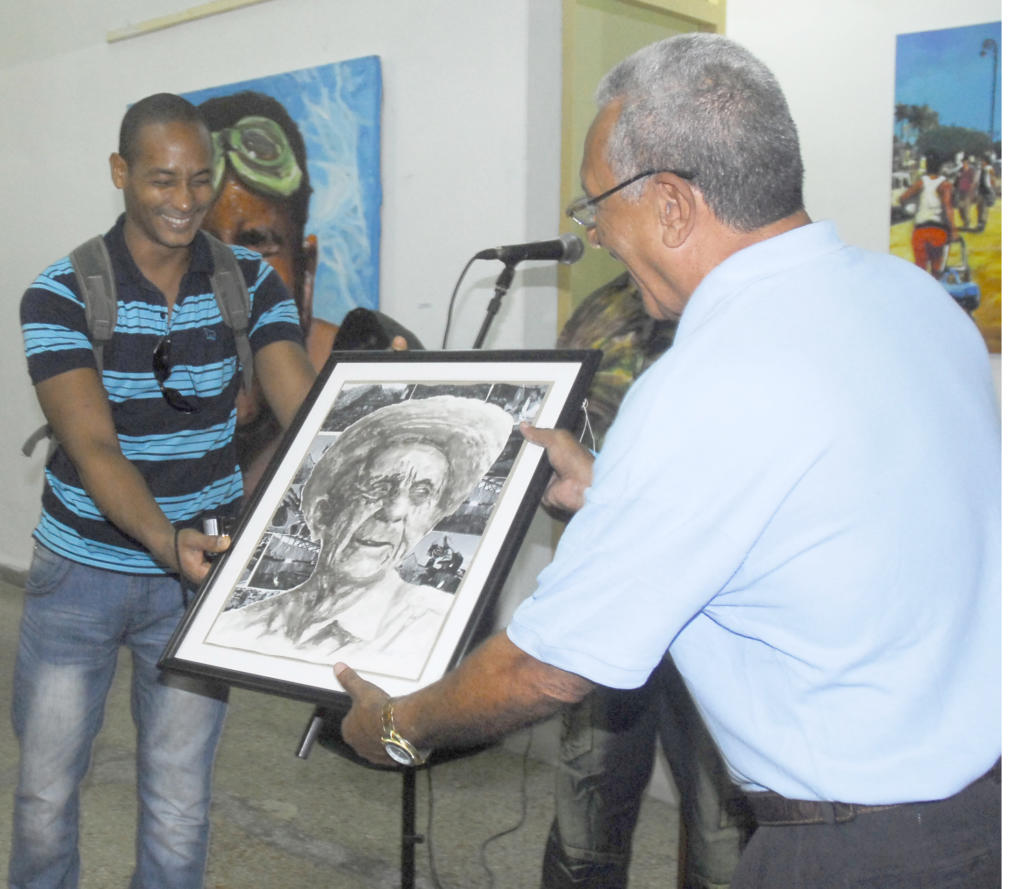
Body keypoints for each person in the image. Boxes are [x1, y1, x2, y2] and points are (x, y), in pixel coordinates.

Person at [334, 34, 1000, 889]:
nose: (596, 236)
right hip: (984, 808)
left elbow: (547, 667)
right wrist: (611, 490)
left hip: (855, 851)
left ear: (674, 206)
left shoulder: (707, 379)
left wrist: (396, 724)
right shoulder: (912, 296)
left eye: (595, 206)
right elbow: (826, 509)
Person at [14, 93, 317, 889]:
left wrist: (364, 419)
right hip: (79, 573)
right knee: (46, 795)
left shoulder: (248, 281)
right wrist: (163, 538)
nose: (185, 201)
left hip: (198, 581)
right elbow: (94, 447)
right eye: (162, 179)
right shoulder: (59, 293)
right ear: (121, 174)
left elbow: (304, 409)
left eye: (198, 179)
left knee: (180, 802)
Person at [541, 271, 752, 889]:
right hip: (609, 600)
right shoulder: (602, 312)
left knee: (725, 840)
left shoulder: (746, 312)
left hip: (716, 612)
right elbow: (565, 435)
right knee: (586, 822)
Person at [208, 395, 512, 675]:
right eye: (379, 487)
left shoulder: (431, 626)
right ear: (323, 512)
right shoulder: (236, 626)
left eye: (421, 494)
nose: (393, 512)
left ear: (429, 521)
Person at [198, 92, 324, 490]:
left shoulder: (356, 368)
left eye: (257, 242)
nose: (229, 275)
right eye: (203, 247)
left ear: (306, 270)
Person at [899, 150, 958, 277]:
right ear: (940, 167)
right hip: (938, 231)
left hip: (920, 231)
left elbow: (903, 198)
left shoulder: (921, 182)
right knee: (936, 269)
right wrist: (953, 230)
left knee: (920, 269)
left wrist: (911, 207)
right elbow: (948, 207)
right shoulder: (945, 184)